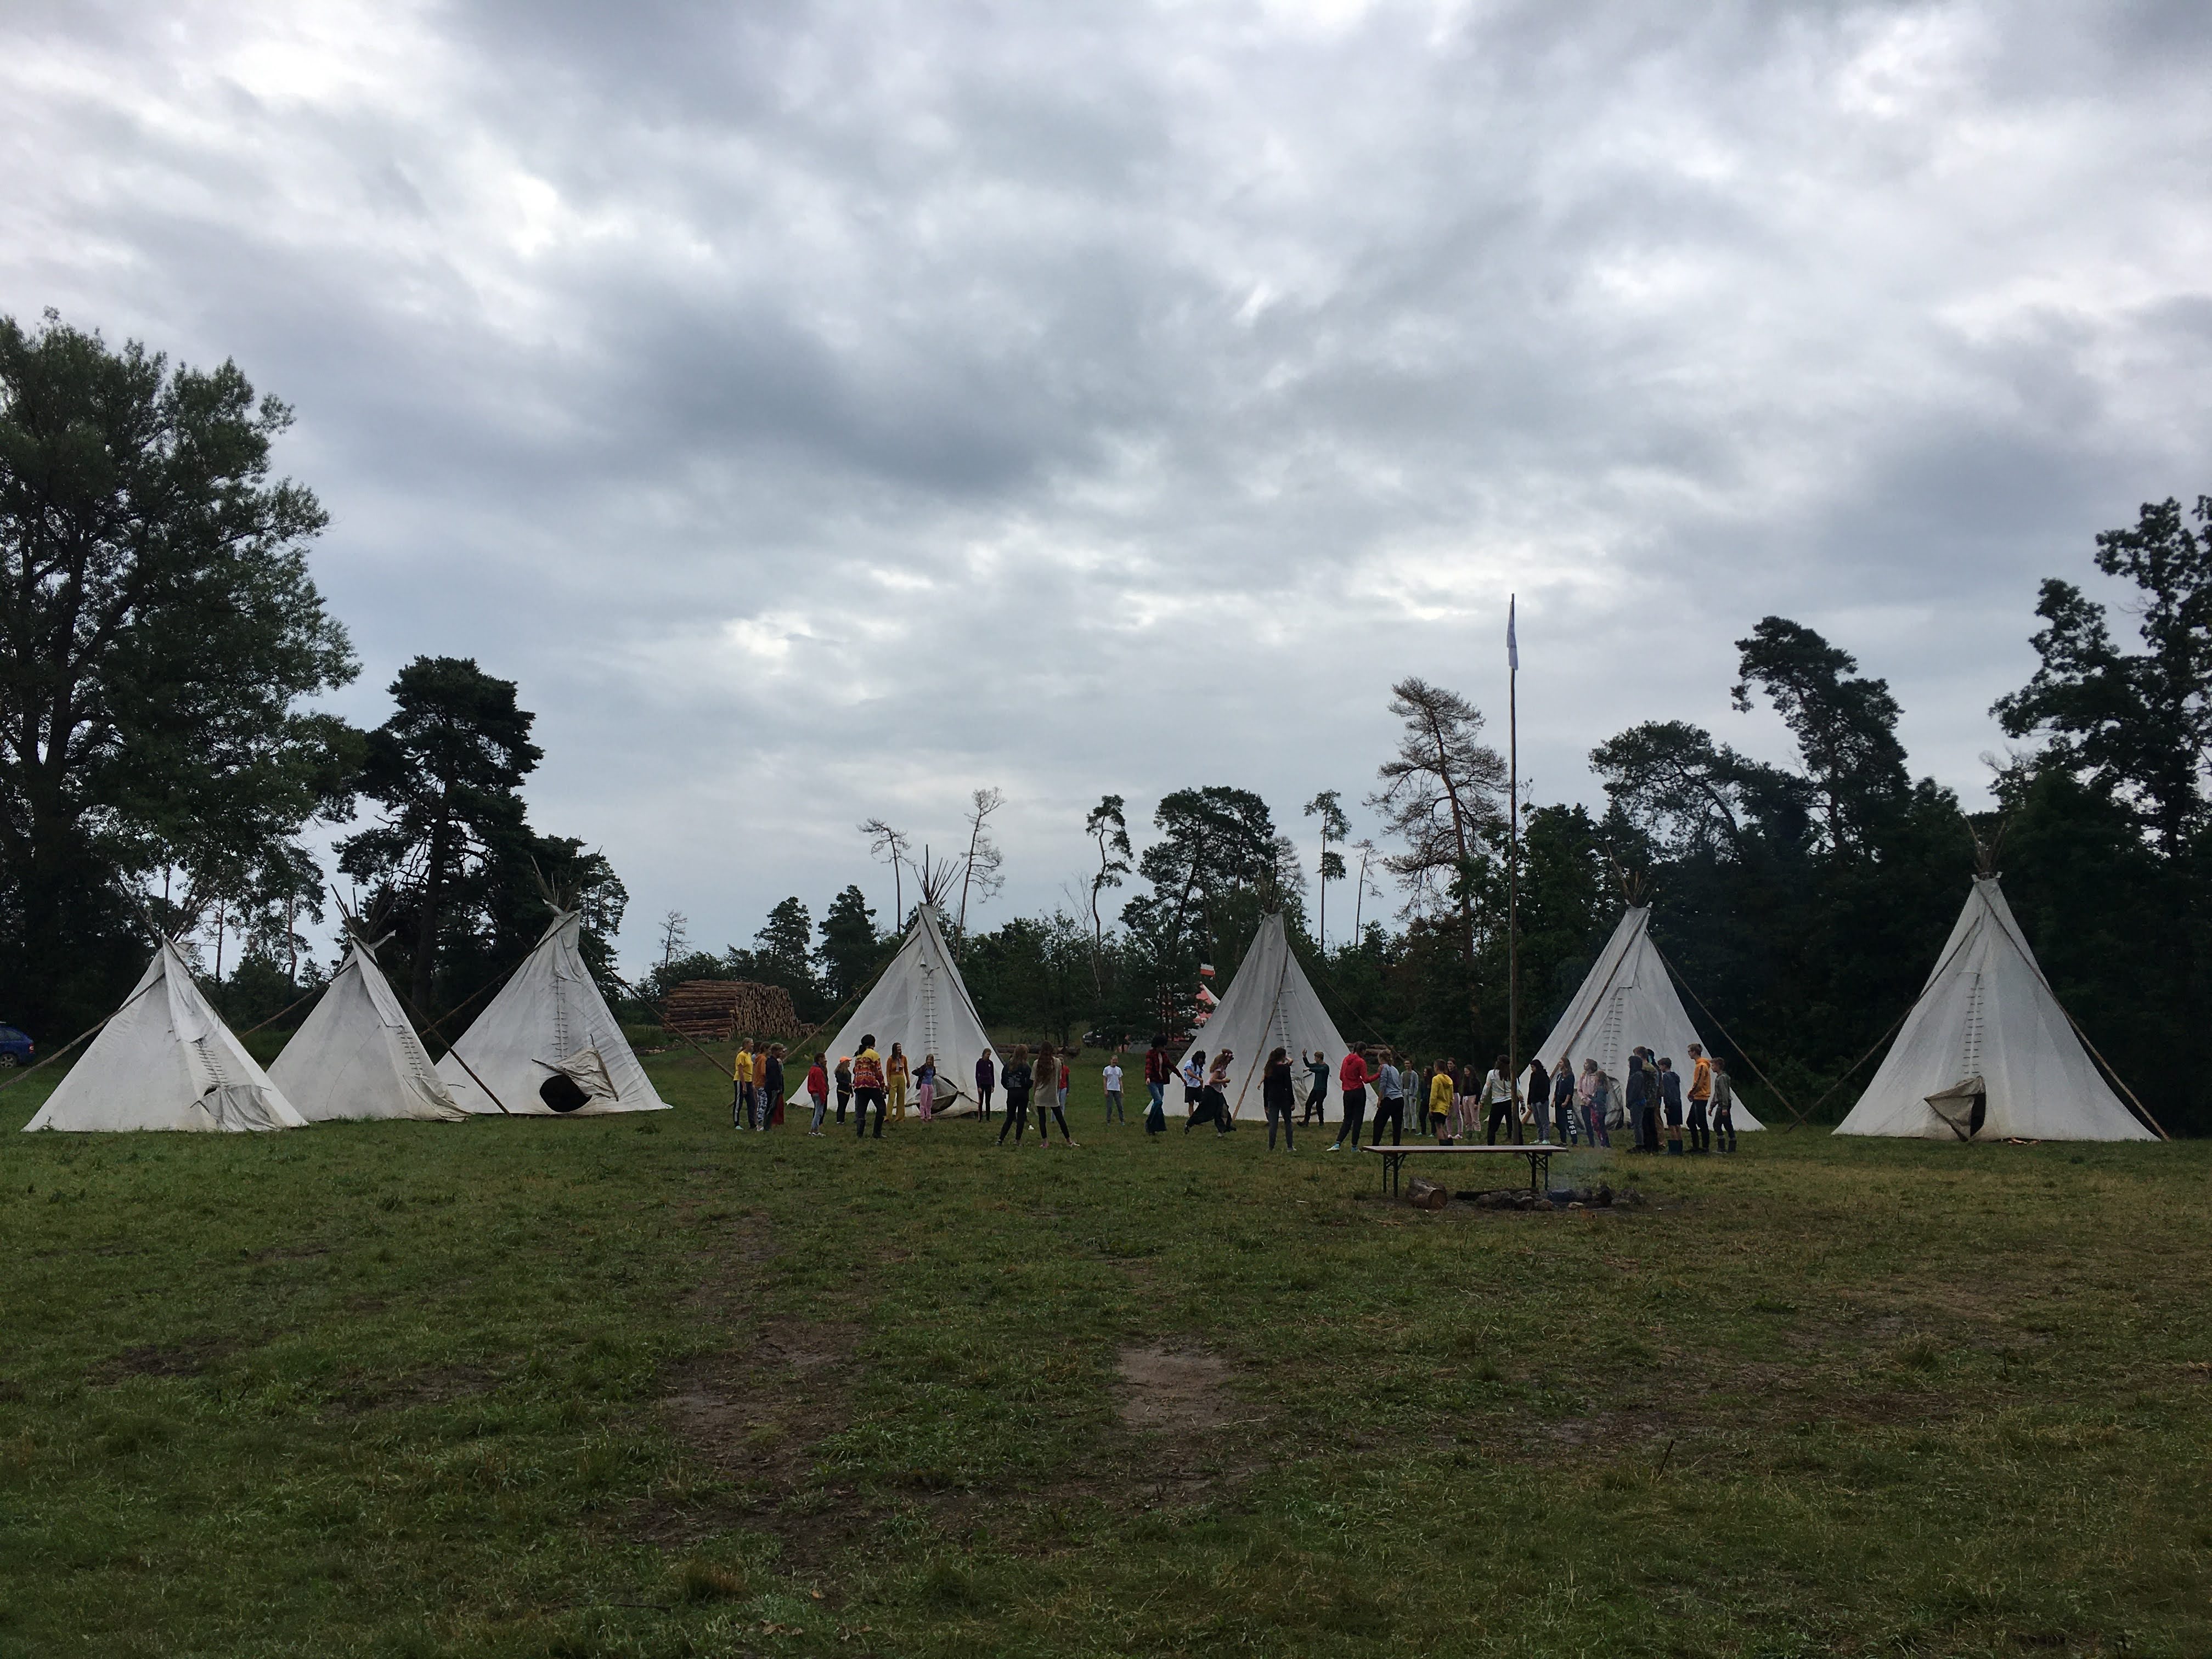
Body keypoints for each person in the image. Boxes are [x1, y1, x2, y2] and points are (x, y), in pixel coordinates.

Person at [1329, 1047, 1370, 1150]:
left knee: (1347, 1118)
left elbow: (1341, 1077)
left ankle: (1338, 1143)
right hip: (1358, 1092)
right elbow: (1366, 1079)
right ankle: (1354, 1146)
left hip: (1347, 1093)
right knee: (1358, 1120)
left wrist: (1349, 1082)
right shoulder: (1361, 1062)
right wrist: (1378, 1075)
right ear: (1362, 1051)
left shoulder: (1346, 1060)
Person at [1187, 1049, 1234, 1135]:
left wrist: (1223, 1083)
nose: (1230, 1061)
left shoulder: (1223, 1067)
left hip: (1217, 1091)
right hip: (1210, 1090)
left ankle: (1222, 1129)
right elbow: (1213, 1080)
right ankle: (1190, 1123)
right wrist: (1224, 1081)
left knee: (1222, 1108)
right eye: (1229, 1059)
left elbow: (1218, 1079)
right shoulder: (1219, 1068)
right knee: (1206, 1110)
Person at [998, 1046, 1035, 1146]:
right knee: (1021, 1117)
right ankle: (1017, 1140)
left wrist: (1009, 1088)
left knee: (1010, 1117)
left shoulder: (1008, 1065)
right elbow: (1031, 1081)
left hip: (1012, 1093)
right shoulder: (1026, 1067)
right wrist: (1025, 1087)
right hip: (1023, 1094)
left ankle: (1001, 1139)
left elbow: (1003, 1080)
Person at [851, 1036, 887, 1139]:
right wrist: (883, 1085)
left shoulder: (859, 1055)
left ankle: (860, 1134)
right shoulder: (874, 1054)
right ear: (873, 1044)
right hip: (871, 1084)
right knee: (881, 1108)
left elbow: (855, 1070)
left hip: (859, 1085)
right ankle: (877, 1133)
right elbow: (878, 1072)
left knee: (861, 1110)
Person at [1262, 1046, 1297, 1149]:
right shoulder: (1285, 1069)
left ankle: (1271, 1147)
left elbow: (1266, 1088)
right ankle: (1290, 1147)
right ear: (1283, 1056)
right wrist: (1292, 1101)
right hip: (1284, 1097)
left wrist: (1265, 1103)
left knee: (1273, 1124)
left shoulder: (1269, 1068)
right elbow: (1289, 1086)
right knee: (1288, 1123)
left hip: (1272, 1098)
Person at [1481, 1055, 1519, 1145]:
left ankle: (1491, 1146)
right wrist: (1522, 1103)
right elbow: (1518, 1089)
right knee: (1515, 1125)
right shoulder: (1511, 1074)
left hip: (1498, 1102)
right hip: (1510, 1101)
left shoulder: (1492, 1074)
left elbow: (1487, 1088)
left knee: (1492, 1128)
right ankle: (1520, 1146)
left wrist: (1482, 1101)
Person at [1370, 1050, 1404, 1147]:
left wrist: (1380, 1099)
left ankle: (1375, 1144)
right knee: (1397, 1124)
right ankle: (1396, 1145)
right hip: (1399, 1098)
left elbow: (1383, 1084)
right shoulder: (1394, 1069)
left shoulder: (1384, 1068)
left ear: (1381, 1059)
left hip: (1390, 1098)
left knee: (1378, 1121)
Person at [1686, 1044, 1713, 1154]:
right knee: (1691, 1121)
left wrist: (1691, 1093)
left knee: (1701, 1122)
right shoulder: (1699, 1065)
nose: (1689, 1054)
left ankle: (1705, 1147)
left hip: (1701, 1097)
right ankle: (1696, 1146)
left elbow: (1699, 1083)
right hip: (1698, 1096)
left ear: (1694, 1052)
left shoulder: (1701, 1066)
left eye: (1689, 1051)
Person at [1624, 1052, 1651, 1153]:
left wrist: (1630, 1101)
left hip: (1637, 1102)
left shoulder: (1637, 1075)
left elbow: (1635, 1090)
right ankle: (1639, 1143)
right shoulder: (1637, 1074)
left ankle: (1640, 1145)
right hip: (1636, 1102)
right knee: (1637, 1124)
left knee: (1637, 1124)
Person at [1710, 1054, 1738, 1154]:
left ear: (1718, 1066)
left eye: (1713, 1066)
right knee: (1727, 1124)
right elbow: (1717, 1093)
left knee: (1717, 1124)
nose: (1712, 1068)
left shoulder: (1722, 1078)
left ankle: (1721, 1148)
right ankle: (1732, 1146)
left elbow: (1724, 1093)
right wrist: (1712, 1106)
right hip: (1723, 1103)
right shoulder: (1721, 1077)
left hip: (1723, 1104)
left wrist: (1724, 1107)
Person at [1577, 1059, 1607, 1149]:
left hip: (1593, 1102)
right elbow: (1579, 1089)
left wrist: (1591, 1100)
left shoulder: (1596, 1077)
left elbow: (1597, 1090)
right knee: (1587, 1123)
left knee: (1597, 1123)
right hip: (1583, 1102)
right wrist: (1583, 1098)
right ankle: (1592, 1142)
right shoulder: (1583, 1076)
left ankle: (1602, 1141)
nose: (1584, 1065)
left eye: (1586, 1063)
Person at [1143, 1037, 1170, 1135]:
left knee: (1158, 1105)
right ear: (1158, 1046)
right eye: (1163, 1046)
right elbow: (1148, 1066)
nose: (1164, 1048)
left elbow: (1170, 1065)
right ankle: (1149, 1123)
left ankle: (1153, 1127)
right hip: (1152, 1081)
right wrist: (1148, 1077)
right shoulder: (1150, 1054)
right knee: (1158, 1101)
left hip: (1160, 1081)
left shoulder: (1163, 1055)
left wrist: (1181, 1077)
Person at [1658, 1056, 1684, 1155]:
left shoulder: (1666, 1077)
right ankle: (1680, 1146)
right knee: (1678, 1125)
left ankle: (1674, 1148)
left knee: (1672, 1126)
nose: (1660, 1068)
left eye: (1661, 1066)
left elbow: (1667, 1091)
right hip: (1678, 1101)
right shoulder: (1675, 1076)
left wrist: (1667, 1105)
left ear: (1664, 1066)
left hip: (1671, 1103)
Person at [758, 1043, 786, 1132]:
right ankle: (767, 1126)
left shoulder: (774, 1062)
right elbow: (773, 1077)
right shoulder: (772, 1063)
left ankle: (768, 1125)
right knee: (771, 1107)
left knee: (773, 1107)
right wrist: (777, 1087)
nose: (781, 1053)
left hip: (774, 1088)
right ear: (775, 1051)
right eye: (780, 1051)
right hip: (773, 1088)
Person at [1526, 1056, 1552, 1144]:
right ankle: (1540, 1138)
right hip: (1534, 1101)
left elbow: (1547, 1089)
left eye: (1533, 1067)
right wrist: (1529, 1101)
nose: (1532, 1069)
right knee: (1538, 1121)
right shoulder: (1533, 1075)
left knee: (1544, 1120)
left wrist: (1543, 1100)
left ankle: (1546, 1138)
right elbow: (1531, 1088)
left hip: (1542, 1101)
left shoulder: (1544, 1076)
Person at [1427, 1059, 1455, 1142]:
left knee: (1438, 1127)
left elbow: (1434, 1095)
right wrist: (1450, 1105)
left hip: (1438, 1107)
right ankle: (1449, 1141)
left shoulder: (1436, 1079)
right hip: (1445, 1107)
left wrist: (1431, 1107)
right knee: (1441, 1126)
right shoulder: (1449, 1080)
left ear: (1436, 1068)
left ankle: (1443, 1144)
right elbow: (1451, 1095)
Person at [1551, 1059, 1577, 1146]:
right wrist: (1553, 1100)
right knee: (1560, 1123)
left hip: (1566, 1103)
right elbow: (1557, 1089)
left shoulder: (1570, 1076)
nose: (1559, 1064)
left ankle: (1574, 1141)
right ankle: (1563, 1141)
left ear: (1565, 1064)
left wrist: (1566, 1102)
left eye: (1561, 1062)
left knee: (1569, 1122)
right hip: (1558, 1101)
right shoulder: (1559, 1076)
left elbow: (1570, 1090)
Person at [732, 1038, 755, 1130]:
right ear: (746, 1045)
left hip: (749, 1080)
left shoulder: (749, 1055)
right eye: (751, 1043)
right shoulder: (741, 1055)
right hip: (740, 1080)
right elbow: (740, 1071)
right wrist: (744, 1085)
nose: (752, 1045)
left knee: (752, 1103)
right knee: (739, 1102)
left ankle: (752, 1123)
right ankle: (736, 1123)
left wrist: (752, 1082)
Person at [805, 1051, 830, 1136]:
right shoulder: (818, 1071)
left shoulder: (813, 1069)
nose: (825, 1060)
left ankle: (814, 1130)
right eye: (823, 1058)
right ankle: (814, 1130)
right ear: (820, 1059)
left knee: (817, 1111)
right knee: (819, 1113)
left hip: (814, 1093)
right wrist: (823, 1096)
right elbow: (820, 1084)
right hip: (819, 1093)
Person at [1302, 1049, 1330, 1125]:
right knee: (1308, 1104)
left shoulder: (1325, 1067)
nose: (1315, 1059)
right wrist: (1304, 1057)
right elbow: (1308, 1065)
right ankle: (1306, 1122)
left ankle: (1321, 1122)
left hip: (1322, 1090)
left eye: (1316, 1058)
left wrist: (1310, 1069)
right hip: (1316, 1089)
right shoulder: (1317, 1065)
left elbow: (1319, 1070)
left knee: (1319, 1105)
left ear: (1319, 1058)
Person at [886, 1043, 910, 1124]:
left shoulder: (903, 1058)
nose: (899, 1049)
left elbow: (906, 1070)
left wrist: (908, 1080)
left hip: (901, 1077)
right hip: (893, 1077)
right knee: (892, 1098)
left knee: (901, 1098)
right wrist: (888, 1082)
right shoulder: (890, 1059)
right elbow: (888, 1071)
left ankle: (900, 1117)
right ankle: (888, 1117)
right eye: (898, 1048)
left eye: (900, 1047)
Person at [1181, 1049, 1206, 1124]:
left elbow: (1200, 1075)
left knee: (1201, 1102)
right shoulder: (1189, 1063)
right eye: (1201, 1058)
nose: (1201, 1060)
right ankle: (1192, 1119)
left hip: (1197, 1086)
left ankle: (1199, 1117)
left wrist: (1202, 1085)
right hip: (1190, 1086)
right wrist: (1198, 1078)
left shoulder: (1199, 1066)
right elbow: (1189, 1073)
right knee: (1191, 1103)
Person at [1102, 1054, 1125, 1125]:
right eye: (1113, 1060)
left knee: (1120, 1106)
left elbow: (1120, 1080)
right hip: (1110, 1089)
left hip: (1117, 1090)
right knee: (1109, 1106)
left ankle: (1122, 1120)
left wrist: (1122, 1090)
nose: (1115, 1062)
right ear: (1111, 1061)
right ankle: (1108, 1121)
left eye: (1116, 1060)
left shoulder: (1119, 1070)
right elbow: (1105, 1080)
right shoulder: (1107, 1069)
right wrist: (1105, 1090)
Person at [975, 1048, 997, 1119]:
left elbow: (992, 1074)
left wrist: (993, 1085)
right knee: (981, 1101)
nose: (989, 1056)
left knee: (988, 1101)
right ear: (984, 1054)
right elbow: (977, 1075)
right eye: (988, 1054)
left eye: (990, 1055)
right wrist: (979, 1086)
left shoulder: (990, 1063)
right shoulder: (979, 1063)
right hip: (982, 1083)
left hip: (988, 1083)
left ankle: (988, 1117)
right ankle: (980, 1117)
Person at [915, 1052, 937, 1121]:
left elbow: (933, 1074)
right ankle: (922, 1116)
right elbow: (917, 1072)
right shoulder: (924, 1067)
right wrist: (922, 1077)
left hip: (930, 1084)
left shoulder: (933, 1068)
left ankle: (929, 1116)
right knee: (923, 1101)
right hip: (924, 1084)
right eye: (928, 1060)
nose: (929, 1061)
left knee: (929, 1101)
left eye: (930, 1060)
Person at [834, 1055, 853, 1126]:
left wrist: (851, 1091)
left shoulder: (848, 1072)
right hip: (841, 1091)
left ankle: (842, 1120)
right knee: (841, 1106)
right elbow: (839, 1081)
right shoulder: (839, 1072)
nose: (849, 1063)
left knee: (844, 1106)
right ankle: (839, 1120)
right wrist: (847, 1084)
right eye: (848, 1062)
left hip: (847, 1091)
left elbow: (850, 1081)